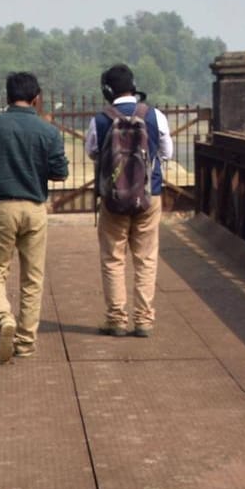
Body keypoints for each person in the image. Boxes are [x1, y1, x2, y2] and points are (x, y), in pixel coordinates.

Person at [0, 72, 69, 362]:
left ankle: (3, 317)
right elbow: (61, 173)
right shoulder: (48, 131)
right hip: (35, 208)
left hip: (1, 206)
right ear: (36, 99)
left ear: (7, 97)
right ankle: (25, 342)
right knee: (32, 278)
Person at [86, 63, 172, 337]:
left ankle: (117, 320)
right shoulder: (154, 115)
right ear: (133, 87)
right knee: (146, 258)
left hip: (113, 199)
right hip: (149, 196)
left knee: (113, 258)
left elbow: (92, 152)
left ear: (107, 90)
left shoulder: (100, 119)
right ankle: (144, 320)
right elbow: (167, 152)